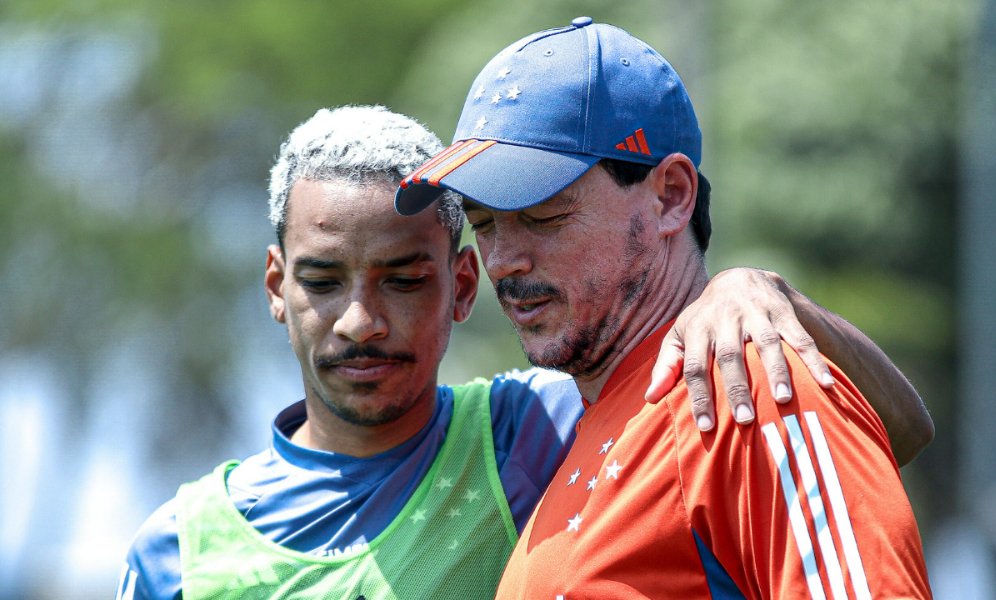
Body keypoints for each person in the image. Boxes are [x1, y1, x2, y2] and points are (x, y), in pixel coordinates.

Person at [117, 99, 927, 599]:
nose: (360, 321)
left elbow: (898, 431)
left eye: (403, 279)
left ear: (463, 286)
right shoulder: (176, 553)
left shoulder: (529, 434)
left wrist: (761, 294)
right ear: (274, 286)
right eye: (323, 281)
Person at [395, 18, 932, 598]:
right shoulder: (586, 418)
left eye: (543, 215)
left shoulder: (746, 381)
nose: (503, 260)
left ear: (671, 195)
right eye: (483, 224)